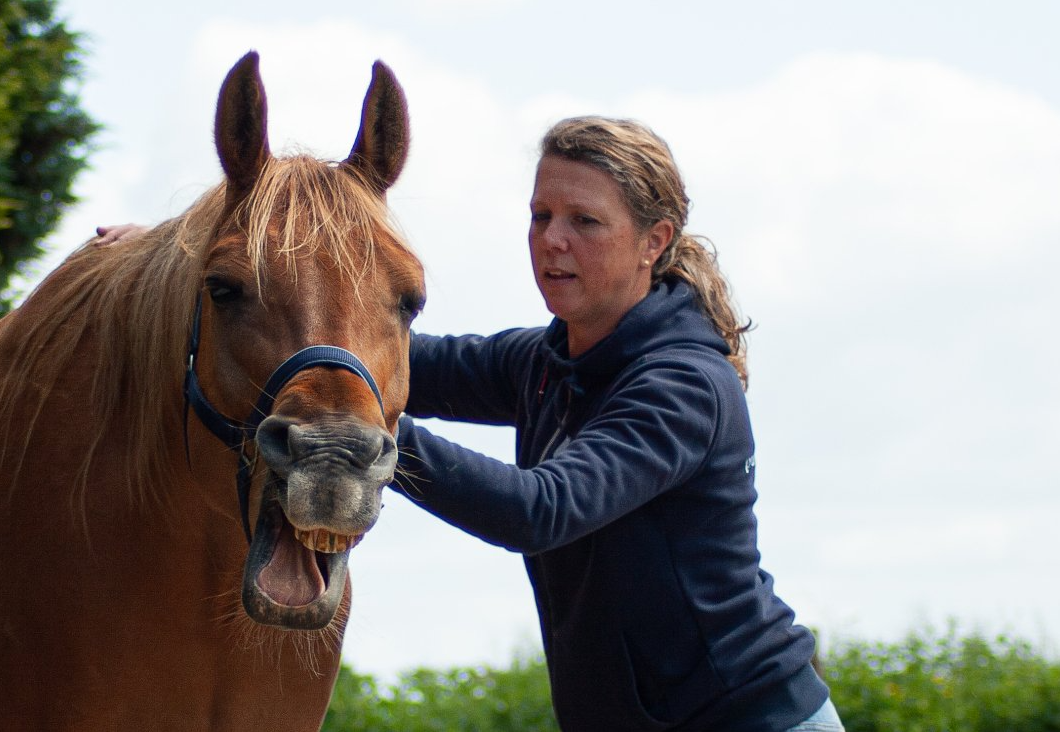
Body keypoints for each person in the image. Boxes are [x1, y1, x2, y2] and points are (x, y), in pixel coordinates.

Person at [90, 116, 842, 732]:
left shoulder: (683, 385)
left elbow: (539, 510)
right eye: (541, 215)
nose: (552, 241)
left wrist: (349, 431)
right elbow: (350, 351)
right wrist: (177, 267)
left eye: (585, 222)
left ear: (654, 241)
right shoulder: (551, 360)